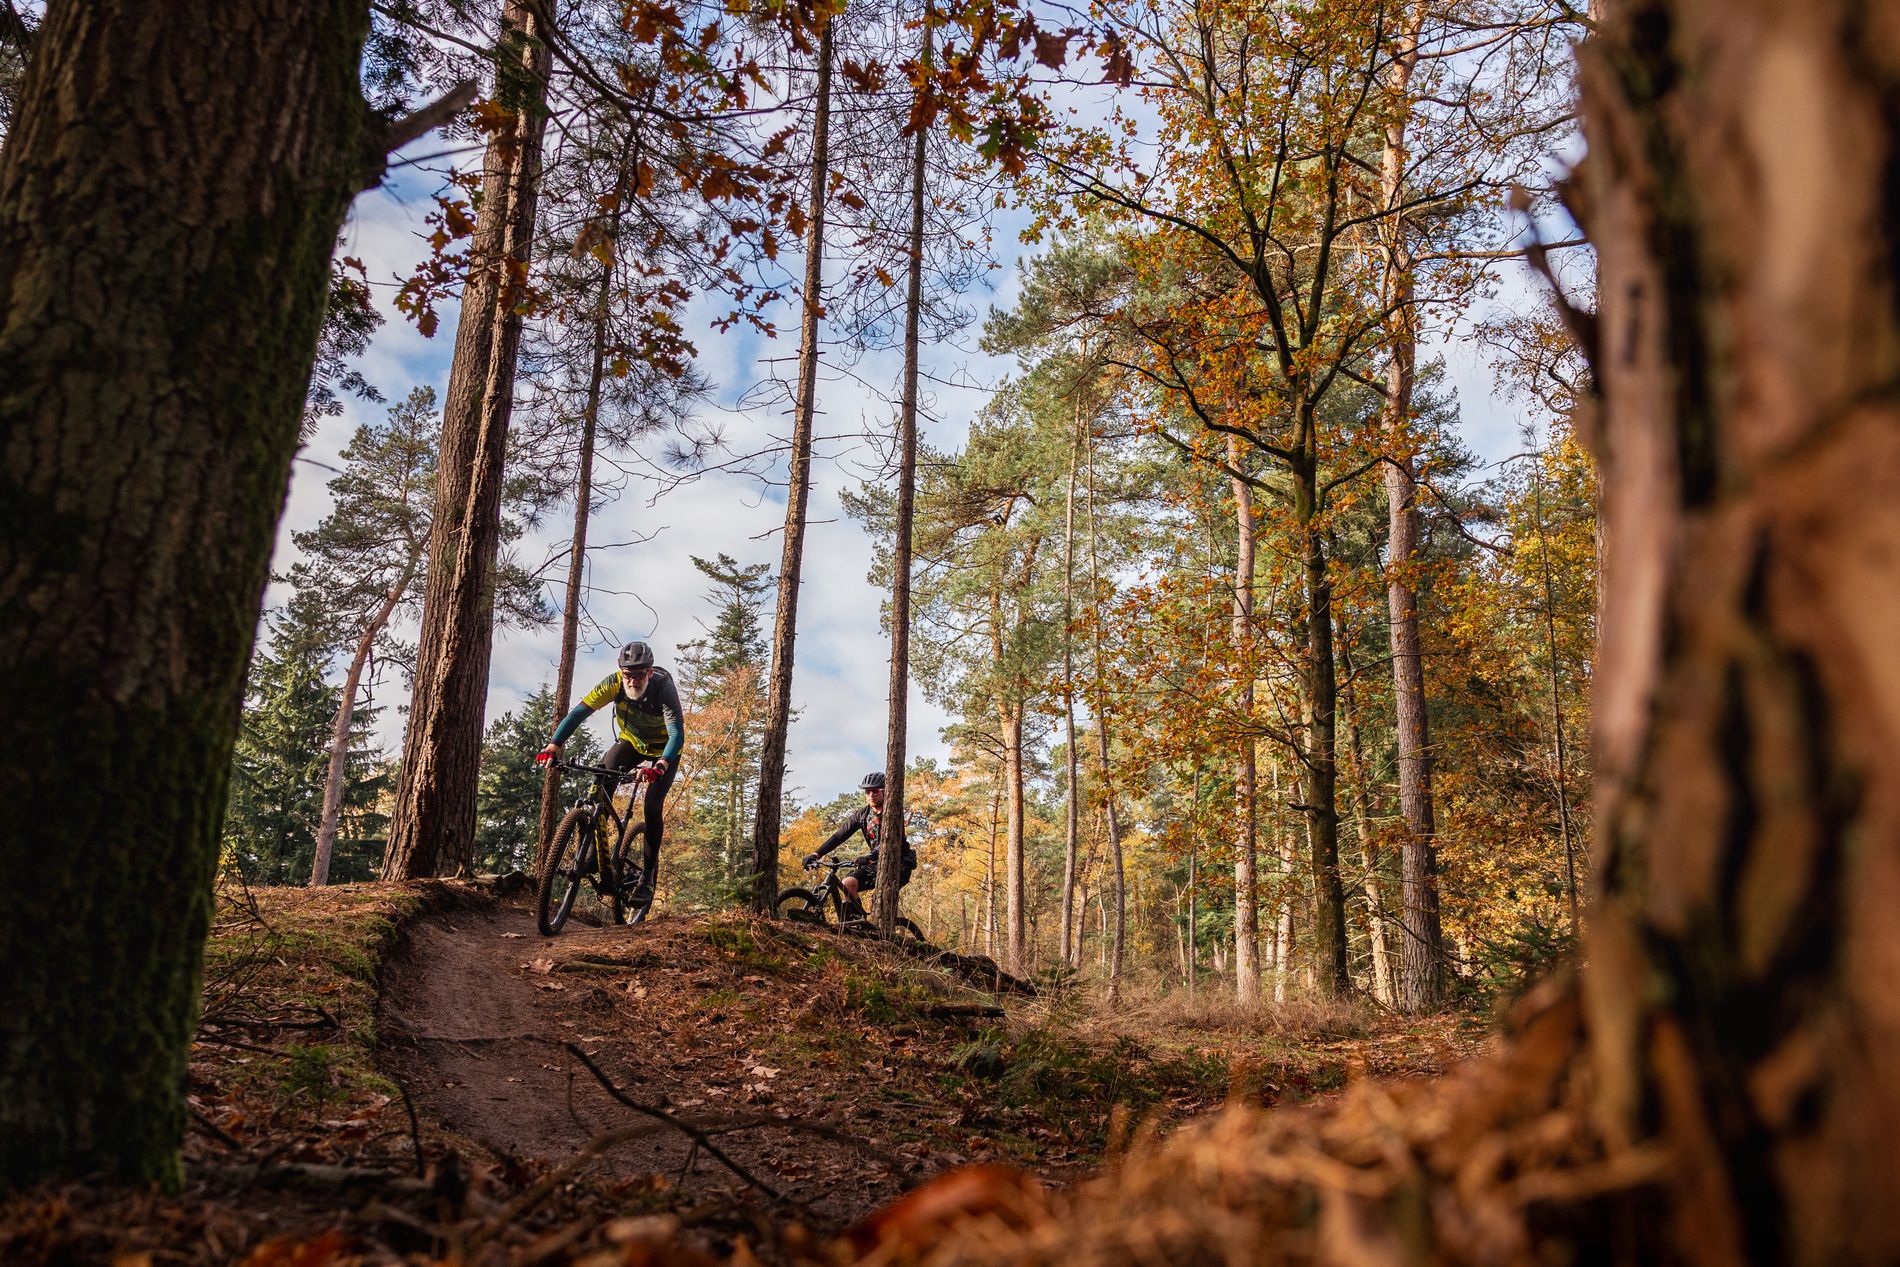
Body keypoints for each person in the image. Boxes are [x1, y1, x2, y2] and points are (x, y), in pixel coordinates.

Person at [537, 641, 683, 911]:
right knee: (601, 782)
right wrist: (554, 744)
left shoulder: (663, 687)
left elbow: (676, 733)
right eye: (628, 674)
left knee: (651, 807)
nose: (633, 679)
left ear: (649, 672)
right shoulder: (614, 683)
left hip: (665, 751)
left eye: (639, 674)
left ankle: (647, 877)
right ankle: (591, 851)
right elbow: (580, 712)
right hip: (632, 743)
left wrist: (660, 765)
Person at [803, 772, 915, 915]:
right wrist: (816, 854)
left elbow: (888, 842)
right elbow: (839, 836)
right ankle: (856, 923)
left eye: (875, 791)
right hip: (876, 863)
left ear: (885, 791)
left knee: (880, 901)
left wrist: (869, 857)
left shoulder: (893, 813)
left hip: (899, 865)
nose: (871, 795)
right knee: (848, 884)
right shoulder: (862, 815)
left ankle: (884, 930)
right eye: (867, 791)